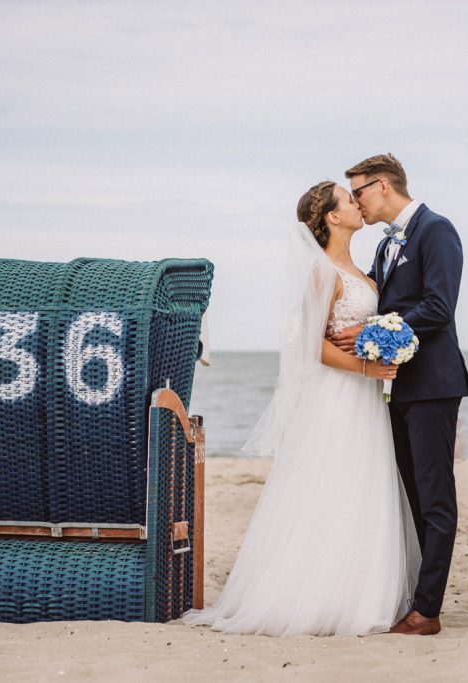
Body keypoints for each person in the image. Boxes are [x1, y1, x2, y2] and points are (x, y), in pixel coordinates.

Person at [183, 181, 420, 637]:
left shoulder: (364, 274)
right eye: (348, 199)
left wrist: (383, 345)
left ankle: (358, 592)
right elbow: (313, 347)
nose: (357, 203)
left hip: (366, 398)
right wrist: (368, 368)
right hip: (339, 394)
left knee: (364, 485)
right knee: (332, 483)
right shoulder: (321, 272)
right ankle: (316, 596)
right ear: (332, 217)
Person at [330, 154, 468, 636]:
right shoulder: (385, 245)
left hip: (433, 385)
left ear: (384, 186)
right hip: (398, 386)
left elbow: (438, 307)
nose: (357, 203)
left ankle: (427, 611)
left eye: (359, 193)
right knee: (411, 495)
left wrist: (368, 329)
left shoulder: (437, 230)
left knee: (435, 499)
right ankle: (413, 595)